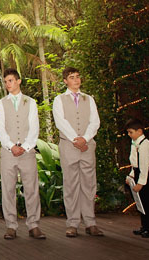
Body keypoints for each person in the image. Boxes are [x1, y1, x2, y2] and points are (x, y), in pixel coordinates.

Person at [0, 69, 45, 240]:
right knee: (8, 189)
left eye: (10, 80)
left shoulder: (30, 102)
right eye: (6, 81)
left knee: (31, 189)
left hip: (27, 152)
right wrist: (10, 146)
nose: (8, 84)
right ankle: (10, 226)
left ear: (18, 81)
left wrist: (26, 146)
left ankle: (34, 225)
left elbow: (34, 127)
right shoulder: (1, 103)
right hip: (8, 153)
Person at [52, 67, 103, 237]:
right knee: (71, 184)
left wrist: (85, 139)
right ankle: (72, 223)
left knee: (89, 184)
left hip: (87, 146)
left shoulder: (89, 99)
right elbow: (61, 122)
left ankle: (90, 222)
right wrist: (76, 139)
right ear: (65, 81)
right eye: (72, 77)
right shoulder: (59, 100)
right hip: (69, 146)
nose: (76, 80)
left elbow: (94, 122)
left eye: (78, 77)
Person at [125, 118, 149, 238]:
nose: (129, 135)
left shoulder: (144, 144)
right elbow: (135, 163)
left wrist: (141, 183)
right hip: (138, 172)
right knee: (142, 203)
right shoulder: (135, 144)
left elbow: (144, 165)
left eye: (130, 132)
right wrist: (131, 176)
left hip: (147, 174)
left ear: (139, 131)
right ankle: (145, 226)